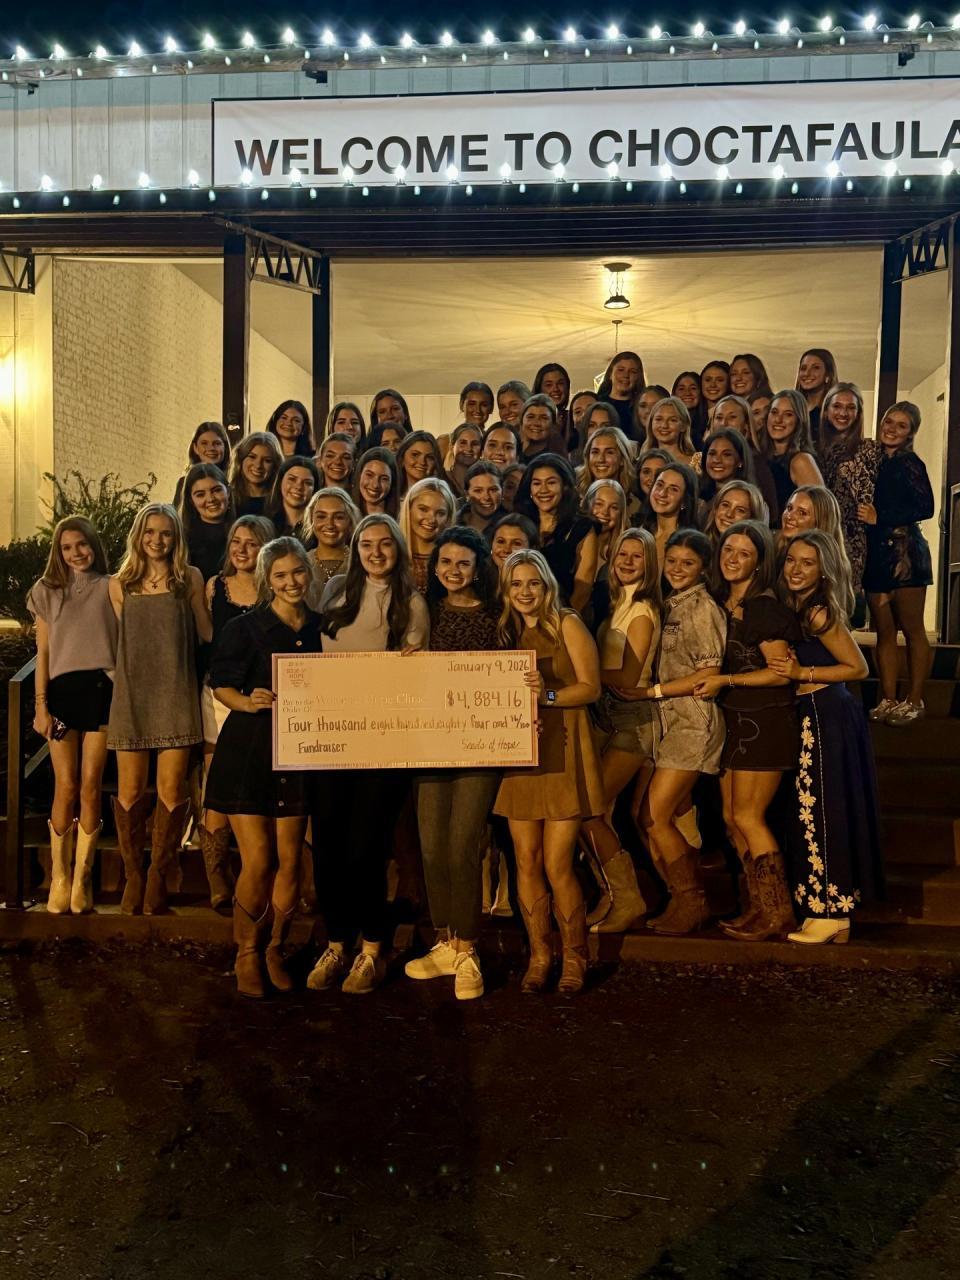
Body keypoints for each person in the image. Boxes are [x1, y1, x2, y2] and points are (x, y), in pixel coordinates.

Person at [307, 515, 430, 995]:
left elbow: (417, 676)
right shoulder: (335, 591)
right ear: (355, 550)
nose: (375, 553)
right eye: (366, 545)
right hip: (330, 738)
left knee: (366, 848)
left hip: (382, 744)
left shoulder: (410, 603)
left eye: (385, 544)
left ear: (398, 549)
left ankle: (373, 948)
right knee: (328, 847)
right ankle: (337, 943)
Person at [207, 537, 320, 996]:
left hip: (300, 751)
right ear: (267, 580)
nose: (291, 582)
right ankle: (246, 953)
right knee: (259, 858)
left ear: (308, 573)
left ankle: (275, 948)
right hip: (250, 751)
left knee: (291, 859)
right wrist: (247, 701)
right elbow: (220, 684)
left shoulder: (322, 628)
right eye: (281, 575)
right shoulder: (244, 627)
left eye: (298, 572)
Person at [494, 550, 603, 994]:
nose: (525, 592)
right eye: (516, 584)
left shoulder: (567, 623)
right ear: (506, 590)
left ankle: (575, 956)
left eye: (533, 583)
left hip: (563, 747)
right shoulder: (504, 632)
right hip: (521, 751)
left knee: (558, 863)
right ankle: (539, 955)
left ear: (547, 586)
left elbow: (591, 687)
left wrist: (548, 698)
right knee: (526, 858)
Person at [405, 527, 502, 1000]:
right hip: (429, 740)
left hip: (481, 742)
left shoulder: (498, 614)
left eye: (463, 562)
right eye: (445, 561)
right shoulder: (425, 609)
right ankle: (446, 941)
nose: (453, 570)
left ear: (478, 567)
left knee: (463, 843)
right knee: (430, 845)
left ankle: (468, 949)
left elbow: (513, 673)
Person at [771, 531, 881, 945]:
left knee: (821, 809)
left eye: (807, 563)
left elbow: (858, 667)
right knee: (811, 808)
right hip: (814, 713)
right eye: (791, 560)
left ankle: (830, 911)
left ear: (823, 570)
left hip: (826, 714)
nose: (796, 569)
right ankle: (827, 911)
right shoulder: (798, 606)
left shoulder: (819, 611)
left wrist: (802, 673)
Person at [693, 520, 801, 942]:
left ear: (759, 563)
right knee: (730, 817)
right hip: (734, 721)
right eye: (728, 550)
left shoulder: (763, 607)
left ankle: (778, 912)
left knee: (748, 815)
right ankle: (757, 906)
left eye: (744, 553)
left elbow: (779, 673)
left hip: (766, 719)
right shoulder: (721, 601)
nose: (732, 558)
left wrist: (726, 680)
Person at [107, 503, 212, 915]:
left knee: (171, 791)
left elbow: (206, 634)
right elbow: (118, 643)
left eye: (165, 533)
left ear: (176, 538)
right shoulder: (119, 585)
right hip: (132, 696)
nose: (157, 540)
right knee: (130, 792)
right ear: (138, 535)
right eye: (150, 532)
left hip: (176, 693)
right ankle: (133, 875)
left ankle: (157, 877)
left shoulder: (189, 578)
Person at [636, 529, 726, 934]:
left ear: (703, 568)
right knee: (667, 815)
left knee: (654, 816)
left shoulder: (702, 608)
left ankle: (693, 901)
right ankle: (680, 899)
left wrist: (652, 691)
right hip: (669, 723)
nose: (677, 569)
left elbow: (709, 673)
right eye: (671, 561)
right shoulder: (671, 603)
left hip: (692, 723)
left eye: (687, 563)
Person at [28, 518, 118, 914]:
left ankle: (82, 877)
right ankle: (60, 877)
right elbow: (43, 654)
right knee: (65, 785)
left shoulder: (111, 586)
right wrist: (41, 705)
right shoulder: (46, 591)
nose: (76, 553)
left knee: (90, 785)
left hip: (101, 692)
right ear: (58, 552)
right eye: (67, 547)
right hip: (63, 696)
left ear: (93, 545)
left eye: (82, 544)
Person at [581, 528, 661, 933]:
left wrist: (583, 675)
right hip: (608, 715)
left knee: (589, 809)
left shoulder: (642, 611)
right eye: (622, 555)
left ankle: (629, 899)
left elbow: (629, 675)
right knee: (589, 812)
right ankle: (611, 895)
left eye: (637, 556)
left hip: (633, 721)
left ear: (649, 564)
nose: (627, 562)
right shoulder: (617, 605)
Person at [199, 515, 275, 910]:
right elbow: (208, 637)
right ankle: (217, 873)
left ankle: (254, 867)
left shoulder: (273, 587)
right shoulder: (215, 586)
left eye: (252, 543)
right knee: (217, 777)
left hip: (260, 695)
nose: (242, 550)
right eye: (236, 542)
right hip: (220, 692)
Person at [862, 401, 935, 725]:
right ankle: (888, 698)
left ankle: (915, 700)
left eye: (901, 425)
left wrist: (881, 517)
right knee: (885, 631)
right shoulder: (875, 460)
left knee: (913, 629)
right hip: (877, 554)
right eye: (889, 422)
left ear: (910, 433)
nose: (892, 429)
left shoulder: (910, 462)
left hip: (906, 553)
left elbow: (926, 507)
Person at [820, 382, 881, 612]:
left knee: (843, 606)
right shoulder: (816, 450)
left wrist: (878, 516)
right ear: (826, 410)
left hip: (852, 539)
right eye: (837, 406)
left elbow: (876, 494)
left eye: (850, 407)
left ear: (858, 413)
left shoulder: (870, 449)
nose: (843, 413)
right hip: (820, 533)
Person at [514, 454, 599, 613]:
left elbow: (582, 590)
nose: (543, 490)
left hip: (562, 615)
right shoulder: (518, 523)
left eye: (551, 482)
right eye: (537, 483)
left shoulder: (582, 529)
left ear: (565, 487)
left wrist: (559, 622)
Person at [760, 390, 823, 522]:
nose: (778, 419)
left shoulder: (801, 461)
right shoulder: (761, 458)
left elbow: (820, 511)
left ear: (799, 421)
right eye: (774, 412)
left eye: (788, 414)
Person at [301, 487, 361, 604]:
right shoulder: (300, 563)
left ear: (350, 521)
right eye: (321, 516)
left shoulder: (360, 564)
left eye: (339, 517)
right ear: (311, 520)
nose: (330, 525)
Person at [398, 476, 456, 592]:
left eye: (440, 513)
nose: (431, 520)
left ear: (448, 519)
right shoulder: (393, 554)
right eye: (423, 509)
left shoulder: (456, 559)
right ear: (409, 509)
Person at [179, 462, 234, 581]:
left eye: (216, 490)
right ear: (191, 501)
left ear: (228, 492)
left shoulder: (244, 532)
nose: (210, 499)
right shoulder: (180, 538)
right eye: (200, 495)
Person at [641, 461, 701, 569]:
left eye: (673, 489)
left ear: (684, 502)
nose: (662, 493)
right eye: (660, 484)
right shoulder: (641, 531)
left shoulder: (689, 544)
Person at [576, 426, 638, 516]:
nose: (601, 459)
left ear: (622, 459)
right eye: (595, 452)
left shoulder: (635, 506)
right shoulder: (573, 498)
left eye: (609, 452)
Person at [172, 422, 231, 507]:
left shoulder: (235, 482)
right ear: (195, 448)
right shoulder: (184, 483)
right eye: (204, 443)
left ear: (225, 447)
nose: (211, 448)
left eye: (217, 443)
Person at [228, 432, 283, 517]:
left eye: (267, 460)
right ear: (240, 459)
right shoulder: (227, 498)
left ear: (275, 466)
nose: (258, 465)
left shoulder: (282, 500)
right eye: (252, 457)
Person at [265, 456, 320, 539]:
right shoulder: (264, 522)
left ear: (314, 489)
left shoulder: (319, 527)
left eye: (307, 483)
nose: (299, 487)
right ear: (280, 481)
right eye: (292, 479)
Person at [699, 429, 758, 505]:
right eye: (712, 453)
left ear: (741, 461)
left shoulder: (749, 500)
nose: (717, 460)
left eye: (726, 455)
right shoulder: (697, 495)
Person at [795, 348, 838, 451]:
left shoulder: (835, 413)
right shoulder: (792, 409)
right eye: (803, 368)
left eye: (815, 368)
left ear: (828, 374)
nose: (807, 373)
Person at [597, 351, 645, 439]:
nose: (626, 375)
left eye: (632, 371)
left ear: (639, 377)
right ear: (610, 374)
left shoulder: (642, 408)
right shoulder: (597, 404)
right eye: (621, 370)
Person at [643, 397, 699, 466]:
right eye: (659, 419)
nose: (664, 425)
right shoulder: (640, 462)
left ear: (683, 426)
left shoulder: (697, 463)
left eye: (672, 420)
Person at [458, 461, 507, 535]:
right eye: (478, 491)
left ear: (502, 491)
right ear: (467, 494)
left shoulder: (514, 525)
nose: (486, 497)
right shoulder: (450, 522)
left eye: (493, 490)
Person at [352, 446, 399, 518]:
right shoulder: (345, 515)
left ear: (392, 483)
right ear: (359, 474)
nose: (375, 485)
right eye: (369, 475)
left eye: (384, 479)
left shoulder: (402, 518)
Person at [396, 430, 446, 498]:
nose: (423, 462)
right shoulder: (389, 496)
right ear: (402, 459)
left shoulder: (442, 498)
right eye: (415, 454)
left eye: (429, 457)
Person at [518, 394, 565, 463]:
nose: (536, 423)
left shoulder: (555, 460)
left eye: (544, 418)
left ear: (553, 424)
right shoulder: (512, 451)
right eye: (531, 417)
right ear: (522, 421)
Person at [533, 362, 571, 441]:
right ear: (539, 389)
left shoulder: (573, 419)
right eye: (549, 385)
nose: (555, 389)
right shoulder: (530, 421)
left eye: (560, 383)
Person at [444, 423, 485, 495]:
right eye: (463, 443)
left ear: (482, 449)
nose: (469, 449)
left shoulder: (486, 483)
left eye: (475, 444)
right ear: (451, 446)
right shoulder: (442, 479)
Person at [672, 371, 707, 447]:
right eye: (681, 389)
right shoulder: (668, 425)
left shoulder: (709, 423)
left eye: (693, 388)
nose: (687, 393)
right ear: (674, 394)